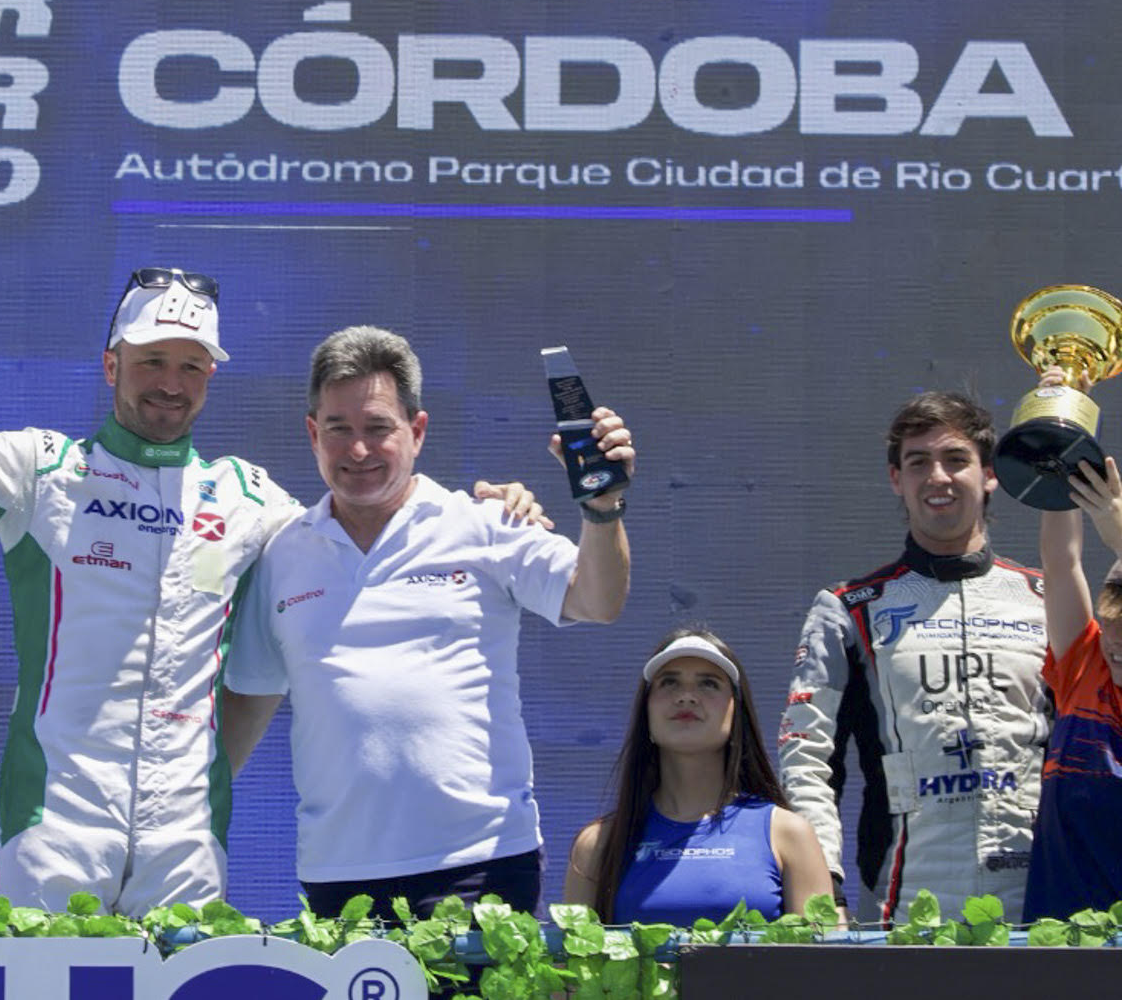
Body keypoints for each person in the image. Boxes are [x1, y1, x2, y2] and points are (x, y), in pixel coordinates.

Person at [0, 231, 543, 914]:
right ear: (111, 363)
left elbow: (364, 520)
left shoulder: (251, 500)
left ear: (211, 376)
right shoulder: (40, 472)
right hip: (56, 824)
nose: (171, 383)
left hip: (186, 841)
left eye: (191, 365)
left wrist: (487, 509)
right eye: (152, 360)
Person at [222, 325, 634, 918]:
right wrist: (187, 810)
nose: (357, 451)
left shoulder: (486, 523)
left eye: (377, 428)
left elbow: (598, 600)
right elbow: (249, 699)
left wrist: (601, 506)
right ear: (313, 434)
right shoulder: (282, 551)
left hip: (481, 865)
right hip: (337, 875)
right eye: (338, 429)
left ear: (416, 431)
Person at [778, 390, 1048, 923]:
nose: (937, 477)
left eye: (956, 459)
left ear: (989, 474)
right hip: (903, 913)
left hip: (1040, 907)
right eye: (918, 462)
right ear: (895, 479)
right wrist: (822, 887)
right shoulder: (848, 609)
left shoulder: (1046, 597)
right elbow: (807, 759)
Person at [564, 628, 830, 925]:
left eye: (708, 683)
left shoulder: (789, 834)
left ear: (736, 711)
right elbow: (574, 954)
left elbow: (823, 953)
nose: (686, 697)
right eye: (669, 682)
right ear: (645, 711)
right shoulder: (597, 845)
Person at [1025, 437, 1122, 920]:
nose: (1115, 642)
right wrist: (1059, 451)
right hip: (1058, 938)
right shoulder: (1086, 665)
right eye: (1110, 621)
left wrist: (1118, 530)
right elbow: (1061, 563)